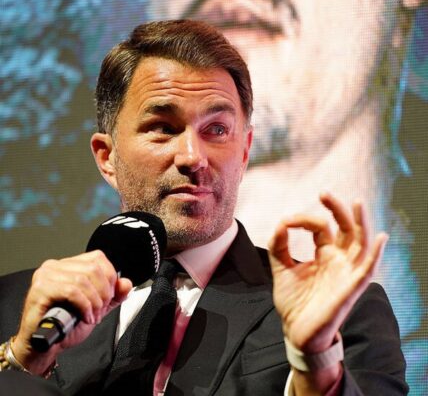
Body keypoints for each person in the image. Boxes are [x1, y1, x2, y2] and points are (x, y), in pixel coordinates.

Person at [0, 20, 407, 395]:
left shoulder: (337, 316)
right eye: (163, 128)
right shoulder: (15, 305)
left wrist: (315, 361)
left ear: (244, 153)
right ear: (107, 158)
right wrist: (24, 359)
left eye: (216, 130)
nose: (193, 157)